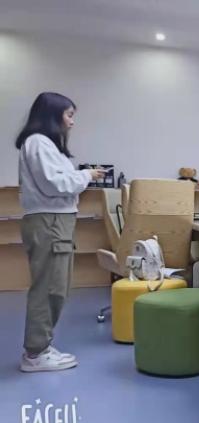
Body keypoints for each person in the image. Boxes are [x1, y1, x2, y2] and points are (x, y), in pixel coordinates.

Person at [16, 92, 106, 372]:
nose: (71, 122)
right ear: (52, 115)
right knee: (49, 288)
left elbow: (57, 181)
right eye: (69, 115)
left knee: (56, 287)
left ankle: (41, 346)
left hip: (55, 220)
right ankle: (35, 353)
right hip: (50, 221)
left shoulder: (44, 145)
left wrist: (81, 176)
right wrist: (86, 175)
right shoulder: (38, 142)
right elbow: (56, 184)